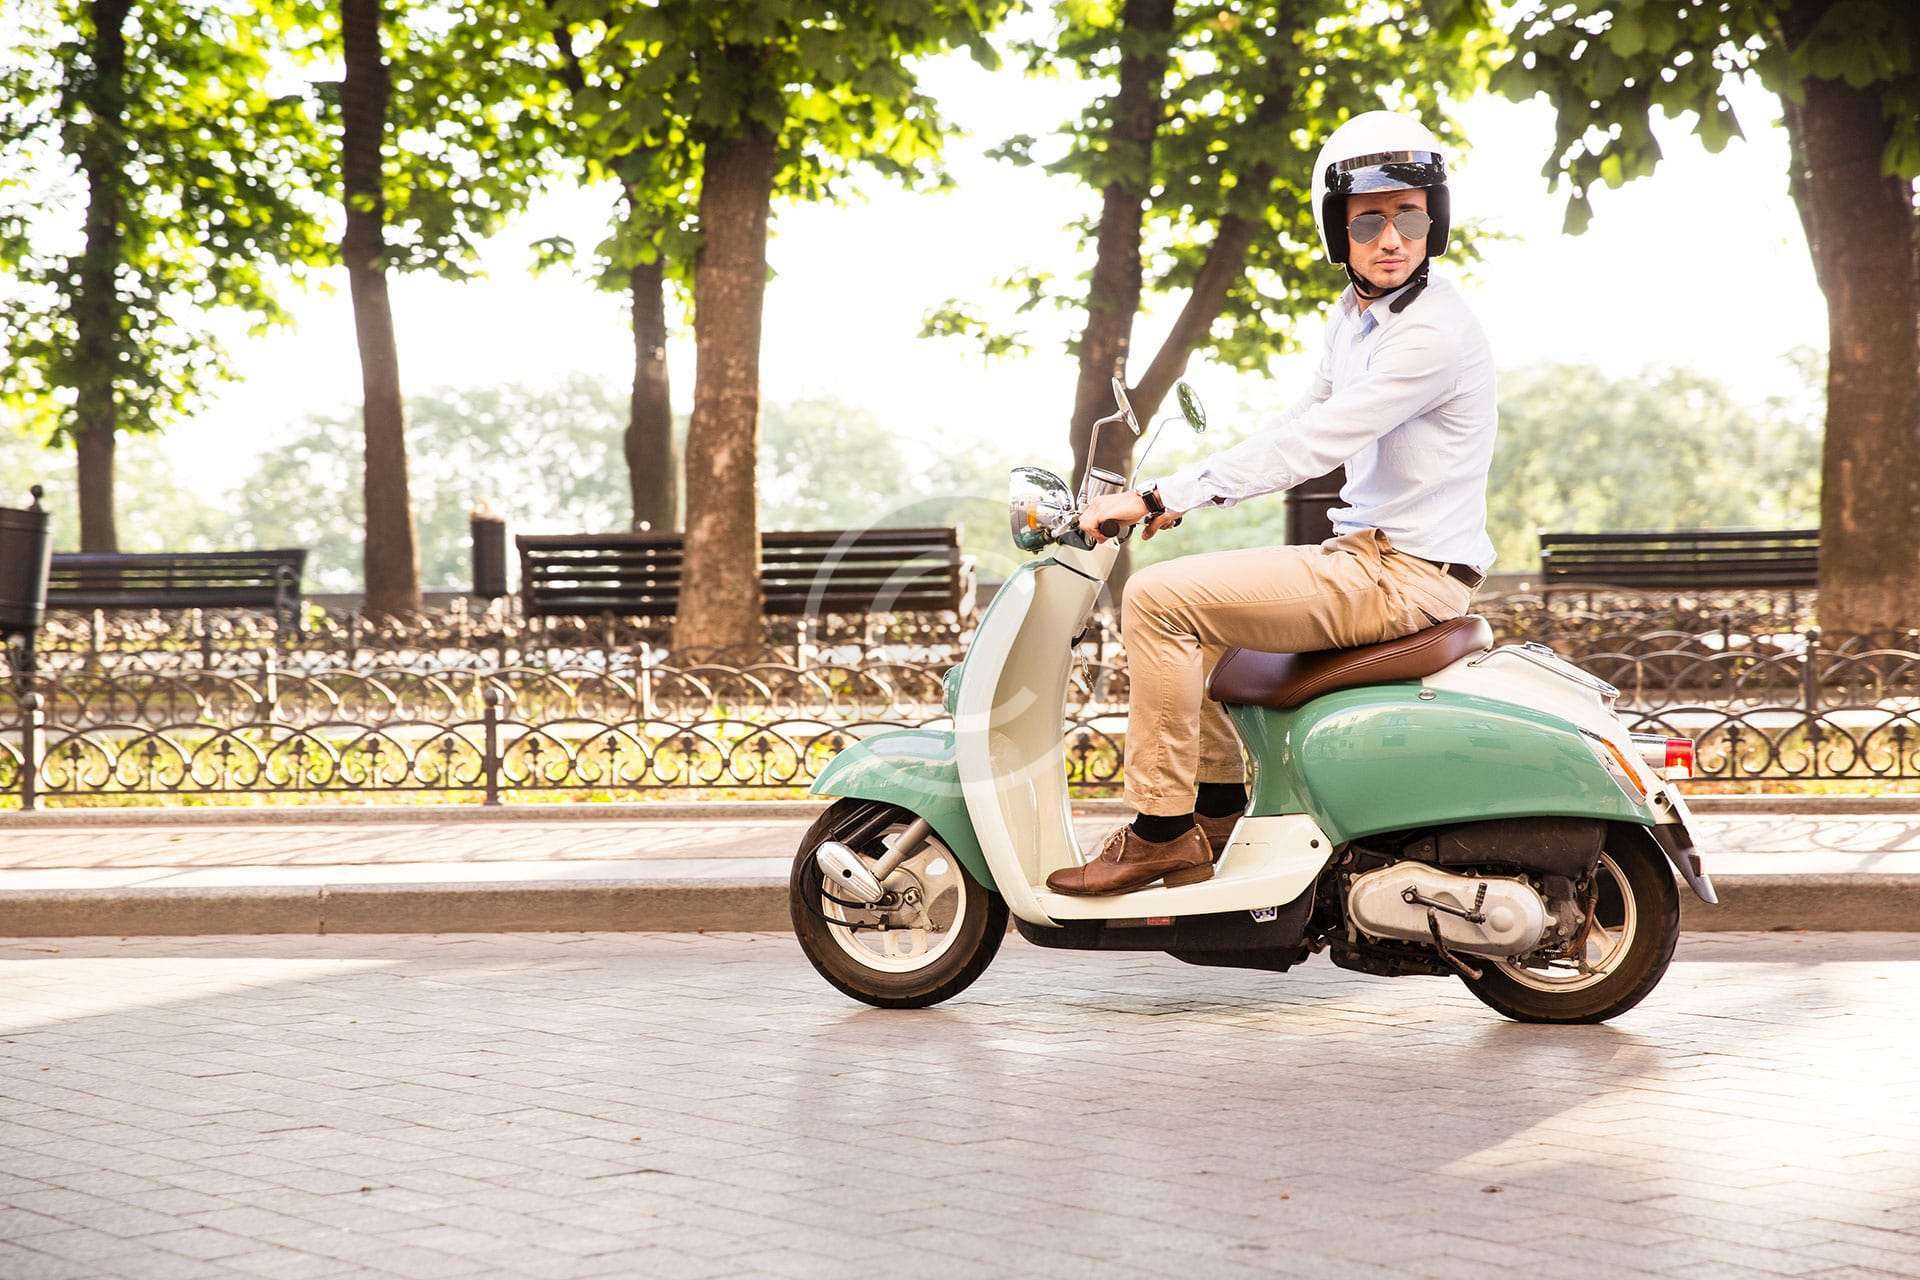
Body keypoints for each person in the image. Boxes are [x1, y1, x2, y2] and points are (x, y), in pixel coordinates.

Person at [1047, 109, 1497, 897]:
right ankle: (1218, 813)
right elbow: (1299, 420)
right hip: (1369, 559)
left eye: (1410, 216)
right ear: (1338, 231)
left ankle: (1160, 834)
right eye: (1369, 221)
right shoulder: (1356, 317)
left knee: (1155, 600)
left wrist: (1158, 493)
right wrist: (1179, 495)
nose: (1392, 238)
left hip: (1403, 575)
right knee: (1196, 613)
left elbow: (1316, 444)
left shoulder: (1430, 333)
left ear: (1436, 220)